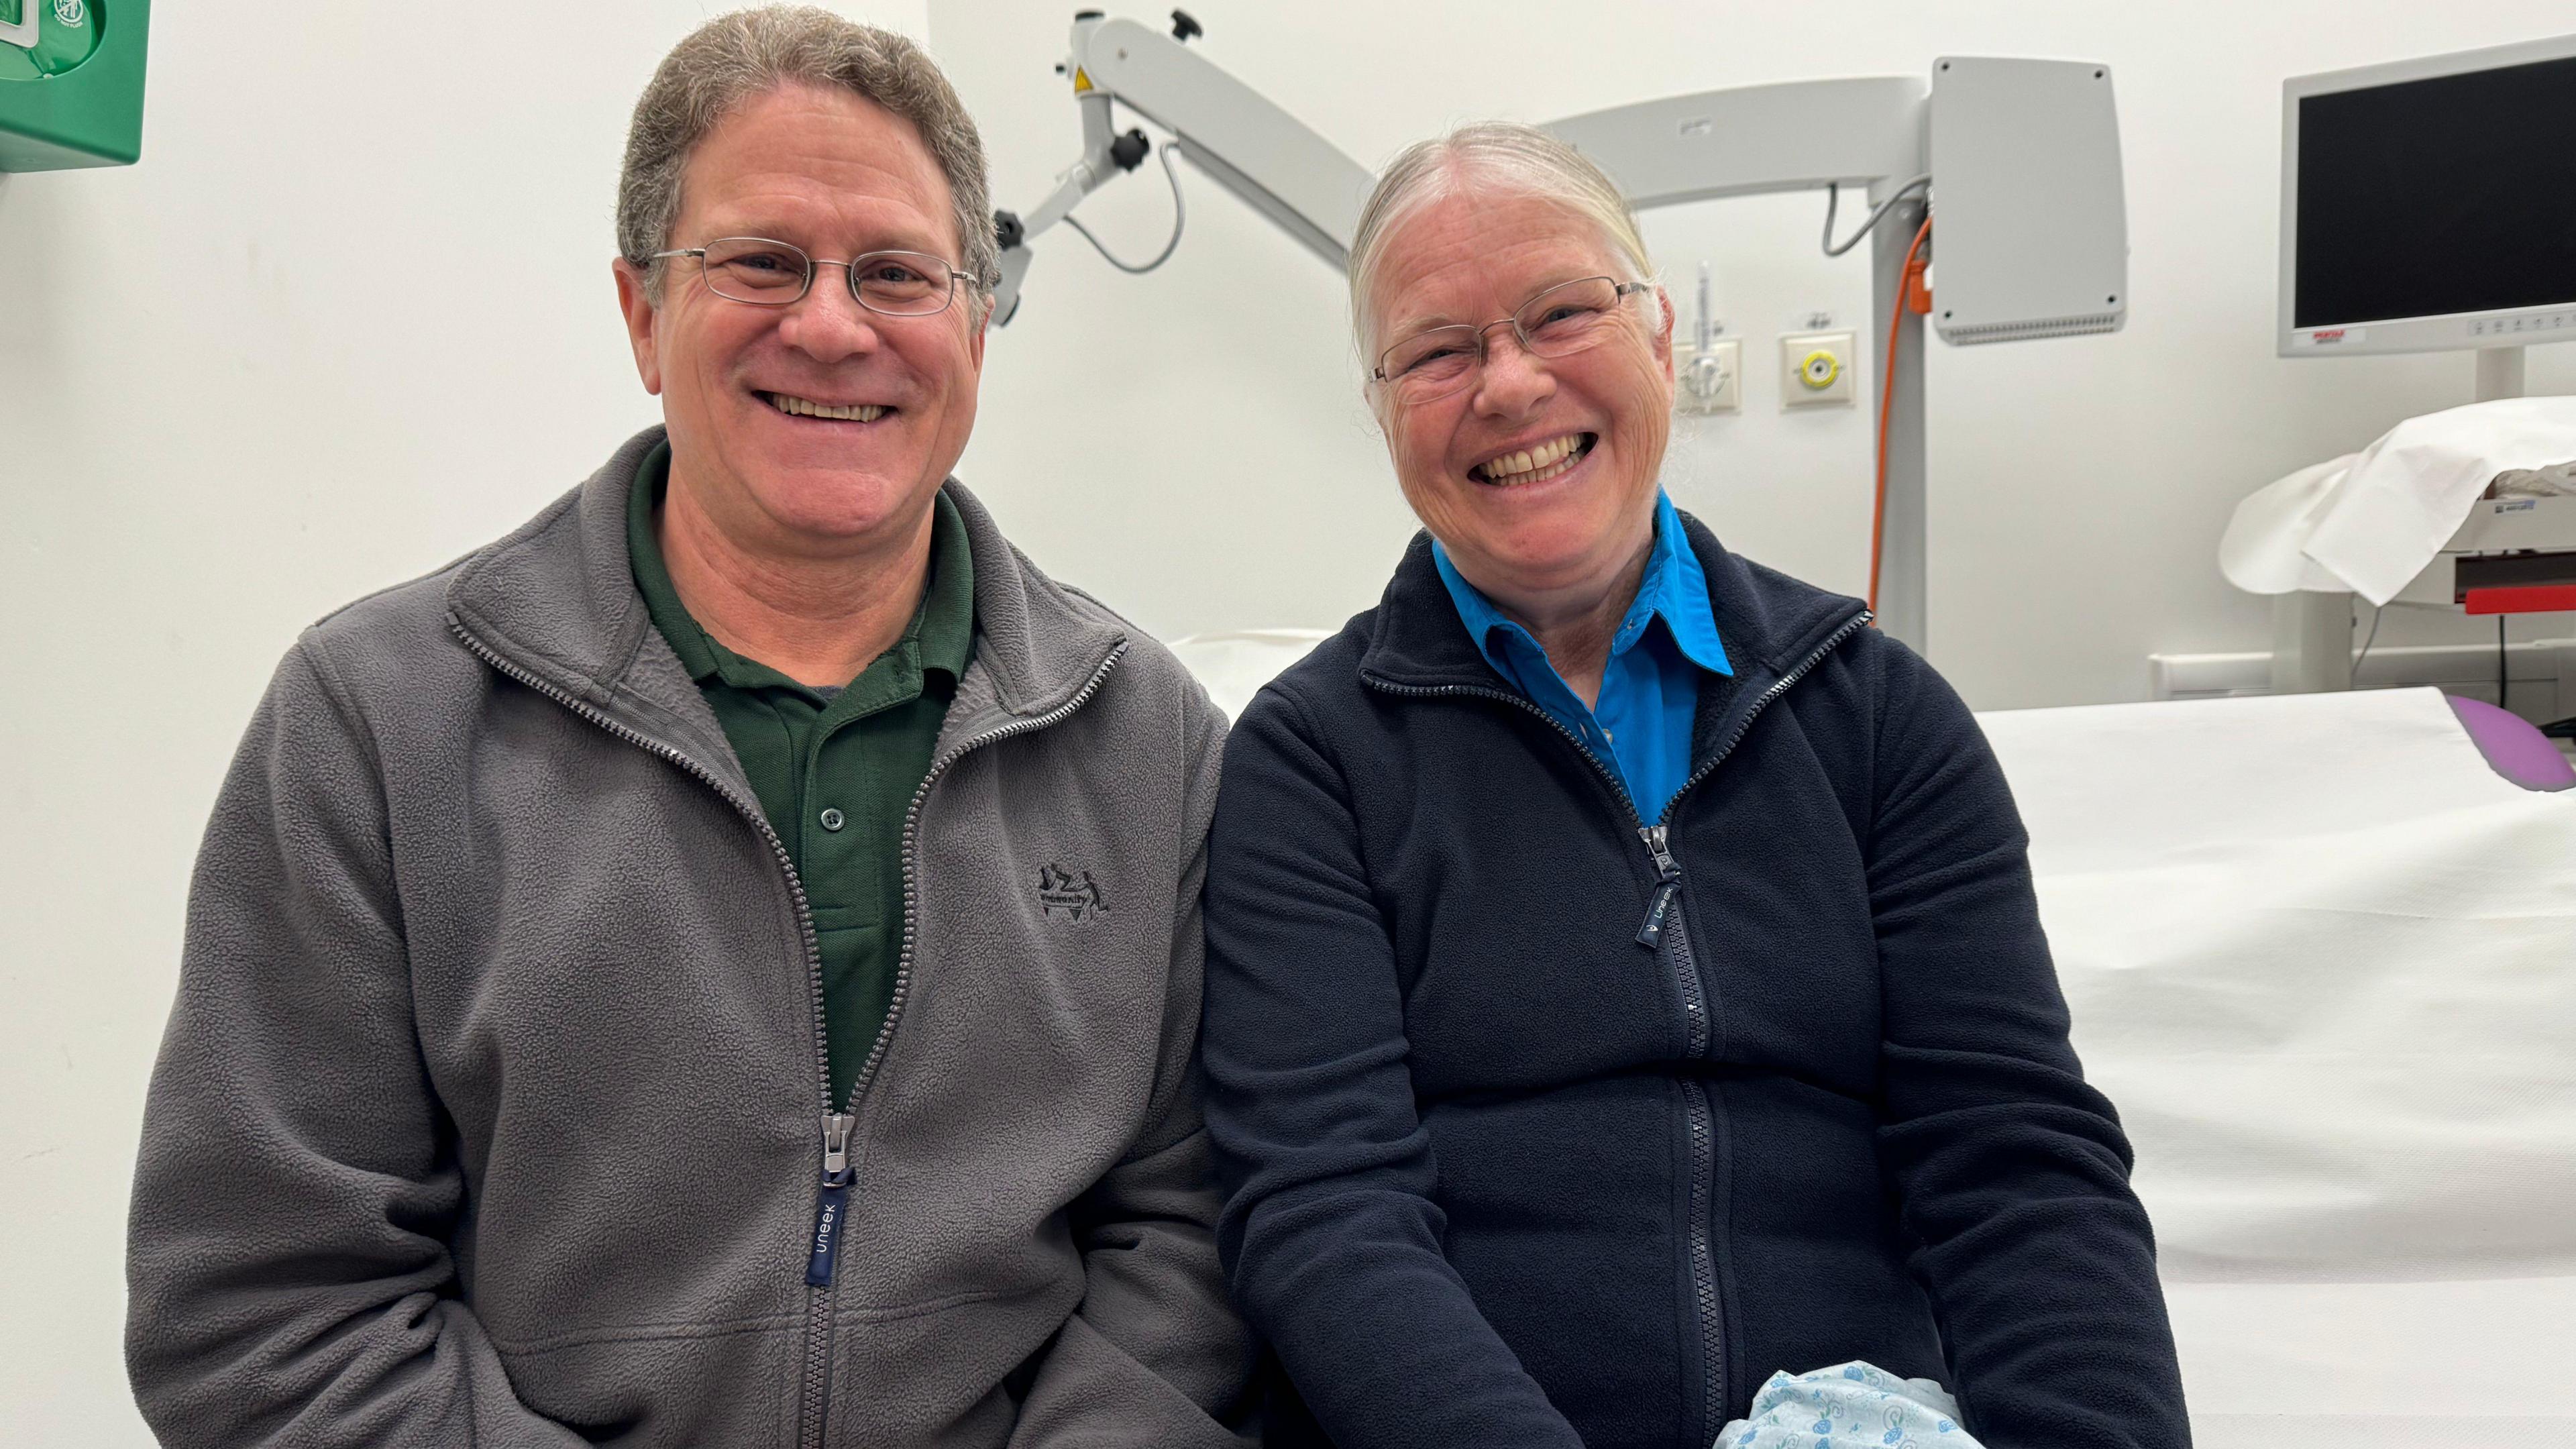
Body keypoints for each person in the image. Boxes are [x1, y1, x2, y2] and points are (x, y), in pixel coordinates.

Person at [125, 9, 1250, 1445]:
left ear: (975, 325)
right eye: (763, 262)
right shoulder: (378, 725)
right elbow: (267, 1310)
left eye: (898, 273)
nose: (834, 324)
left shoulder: (1145, 739)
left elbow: (1193, 1244)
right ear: (643, 313)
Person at [1198, 122, 2190, 1449]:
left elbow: (2015, 1160)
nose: (1508, 385)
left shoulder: (1882, 722)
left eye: (1560, 313)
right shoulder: (1312, 761)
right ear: (1382, 409)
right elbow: (1323, 1209)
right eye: (1438, 349)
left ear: (1659, 335)